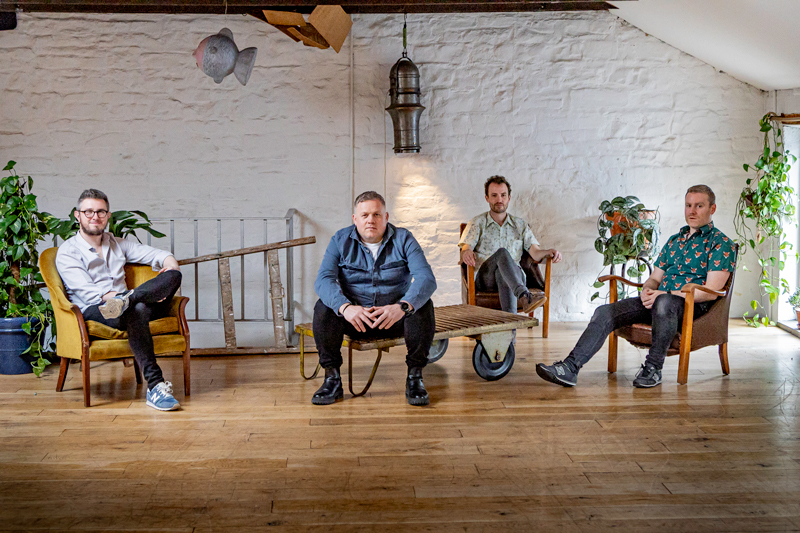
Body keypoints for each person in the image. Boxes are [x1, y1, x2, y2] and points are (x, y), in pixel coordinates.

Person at [536, 185, 735, 389]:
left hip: (692, 308)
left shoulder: (720, 243)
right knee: (605, 312)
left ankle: (653, 369)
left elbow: (711, 291)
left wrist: (663, 294)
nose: (692, 211)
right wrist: (648, 289)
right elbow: (655, 278)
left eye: (699, 206)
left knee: (665, 302)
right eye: (688, 205)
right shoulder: (675, 241)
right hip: (660, 300)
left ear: (712, 209)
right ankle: (570, 368)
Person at [55, 189, 183, 411]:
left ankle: (132, 299)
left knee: (174, 276)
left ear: (108, 215)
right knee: (138, 309)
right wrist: (129, 299)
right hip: (96, 309)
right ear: (77, 215)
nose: (95, 216)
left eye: (101, 211)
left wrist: (170, 264)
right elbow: (91, 294)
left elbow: (159, 255)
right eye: (88, 212)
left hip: (127, 305)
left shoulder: (118, 243)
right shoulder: (68, 252)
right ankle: (156, 385)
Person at [312, 191, 437, 406]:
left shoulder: (404, 238)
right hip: (355, 320)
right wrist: (345, 308)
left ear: (386, 217)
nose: (371, 220)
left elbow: (427, 278)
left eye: (377, 215)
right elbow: (323, 280)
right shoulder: (340, 240)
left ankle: (415, 377)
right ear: (355, 219)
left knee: (422, 305)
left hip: (394, 319)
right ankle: (332, 379)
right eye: (365, 215)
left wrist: (402, 307)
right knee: (324, 306)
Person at [459, 175, 562, 316]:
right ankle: (524, 296)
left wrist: (548, 251)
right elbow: (466, 248)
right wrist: (466, 252)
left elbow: (535, 252)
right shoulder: (477, 223)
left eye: (503, 195)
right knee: (502, 253)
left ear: (509, 198)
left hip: (514, 277)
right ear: (487, 198)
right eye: (494, 195)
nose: (499, 200)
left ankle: (510, 335)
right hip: (486, 279)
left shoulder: (520, 225)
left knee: (504, 275)